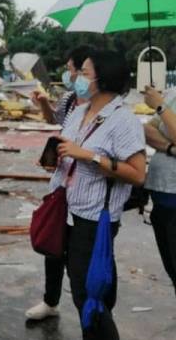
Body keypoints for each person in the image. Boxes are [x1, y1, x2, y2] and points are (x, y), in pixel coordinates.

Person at [48, 50, 145, 339]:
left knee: (91, 295)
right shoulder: (80, 111)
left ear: (103, 79)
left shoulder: (122, 120)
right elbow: (70, 149)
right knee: (87, 287)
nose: (76, 77)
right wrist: (55, 157)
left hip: (95, 220)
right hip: (69, 211)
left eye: (85, 73)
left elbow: (138, 174)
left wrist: (90, 157)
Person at [26, 45, 92, 321]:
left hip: (88, 190)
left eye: (71, 69)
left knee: (82, 257)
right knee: (53, 244)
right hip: (62, 183)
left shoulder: (101, 106)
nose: (68, 74)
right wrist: (43, 103)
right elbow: (56, 121)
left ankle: (93, 311)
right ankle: (50, 301)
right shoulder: (68, 100)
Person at [143, 85, 176, 296]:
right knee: (172, 269)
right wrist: (171, 148)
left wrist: (160, 106)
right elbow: (147, 130)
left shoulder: (164, 102)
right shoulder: (174, 93)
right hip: (161, 197)